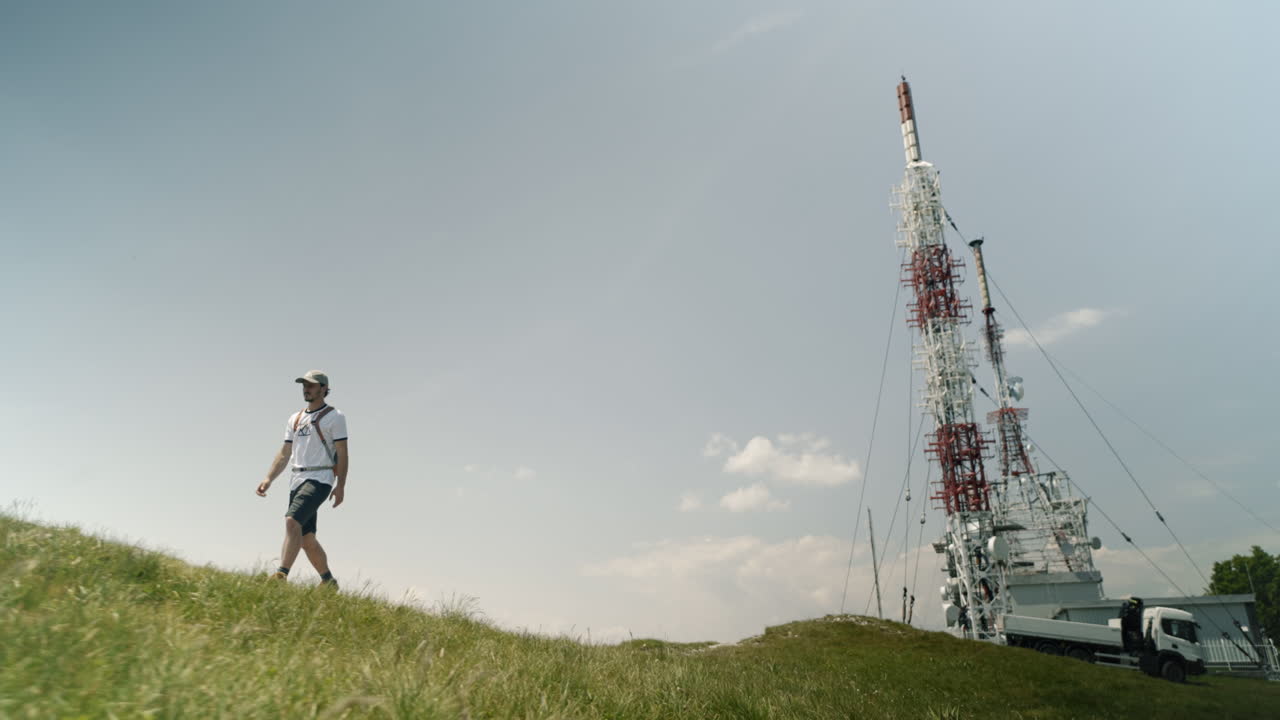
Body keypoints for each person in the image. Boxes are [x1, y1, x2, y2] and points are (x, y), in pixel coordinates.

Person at [256, 370, 349, 588]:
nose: (306, 389)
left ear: (324, 389)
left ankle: (281, 575)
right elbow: (285, 453)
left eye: (312, 385)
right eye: (304, 385)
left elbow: (343, 452)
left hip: (320, 478)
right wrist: (269, 478)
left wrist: (341, 485)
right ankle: (328, 581)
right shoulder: (295, 419)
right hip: (296, 479)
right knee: (306, 539)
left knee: (292, 521)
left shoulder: (335, 417)